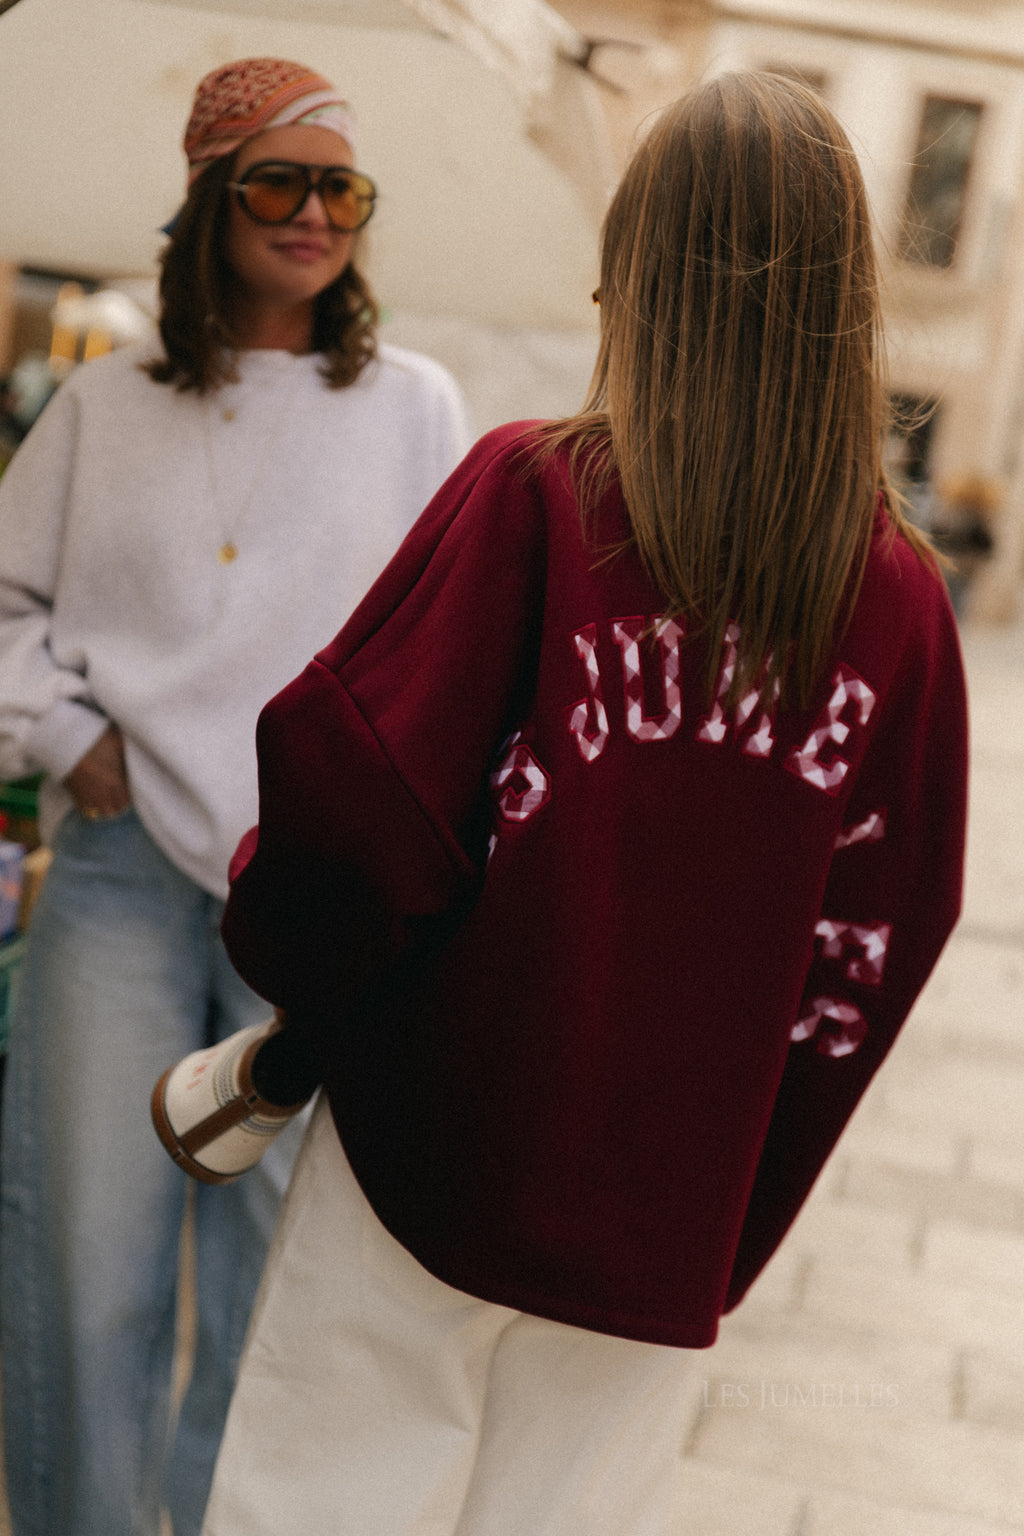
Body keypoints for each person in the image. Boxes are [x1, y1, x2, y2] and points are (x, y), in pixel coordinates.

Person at [202, 72, 967, 1536]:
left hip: (432, 1144)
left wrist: (303, 972)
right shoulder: (899, 603)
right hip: (668, 1204)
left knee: (323, 1504)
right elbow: (885, 938)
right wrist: (733, 1187)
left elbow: (360, 795)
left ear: (639, 273)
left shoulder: (537, 494)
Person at [0, 56, 470, 1536]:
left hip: (315, 904)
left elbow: (451, 645)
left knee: (278, 1290)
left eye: (343, 188)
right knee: (89, 1264)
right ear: (212, 197)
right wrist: (66, 731)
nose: (314, 212)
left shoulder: (415, 408)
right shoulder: (103, 406)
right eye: (279, 181)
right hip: (122, 879)